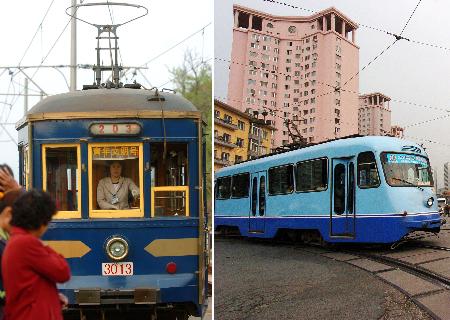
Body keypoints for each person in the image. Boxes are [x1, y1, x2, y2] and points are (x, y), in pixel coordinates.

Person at [2, 190, 71, 320]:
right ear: (42, 222)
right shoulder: (27, 243)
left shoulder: (16, 241)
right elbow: (63, 271)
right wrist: (44, 246)